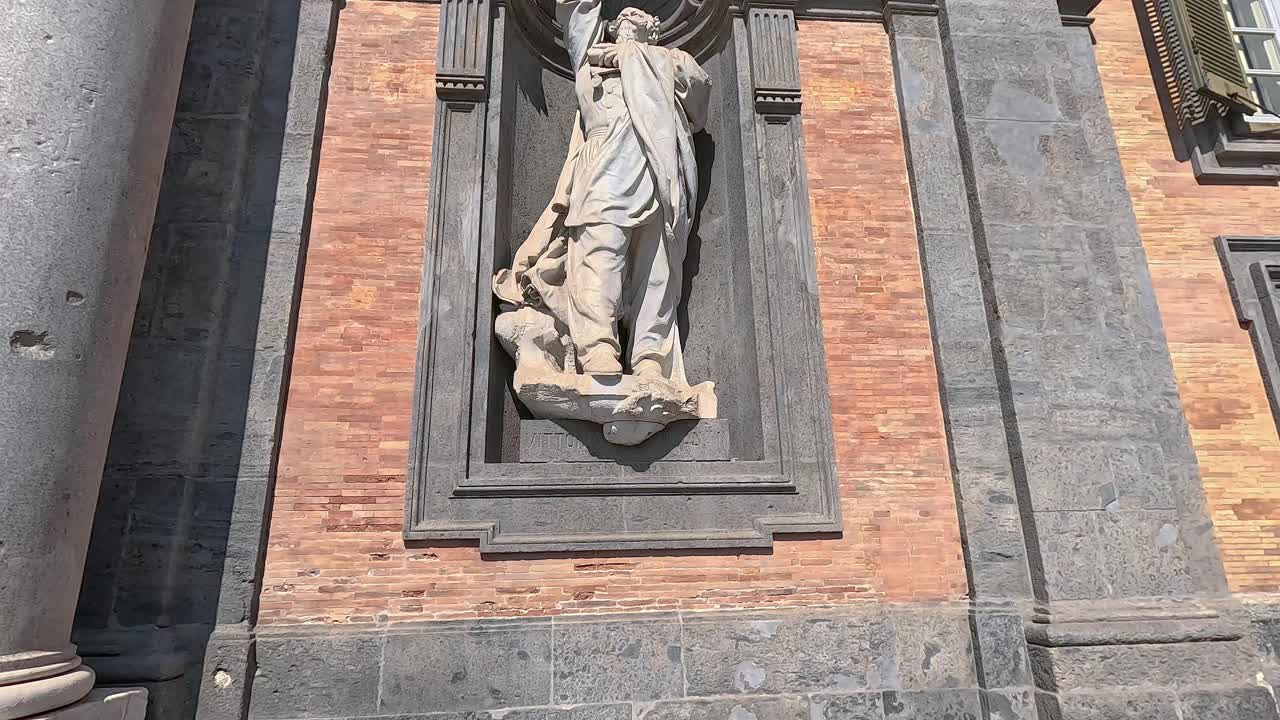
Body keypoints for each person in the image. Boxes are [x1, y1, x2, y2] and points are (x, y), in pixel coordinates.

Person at [494, 0, 711, 385]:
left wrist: (634, 58)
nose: (627, 20)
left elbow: (699, 96)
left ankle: (649, 357)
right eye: (620, 20)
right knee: (598, 254)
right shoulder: (594, 61)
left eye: (637, 18)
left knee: (656, 265)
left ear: (653, 30)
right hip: (603, 169)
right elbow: (578, 20)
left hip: (659, 170)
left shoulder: (673, 61)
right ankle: (597, 347)